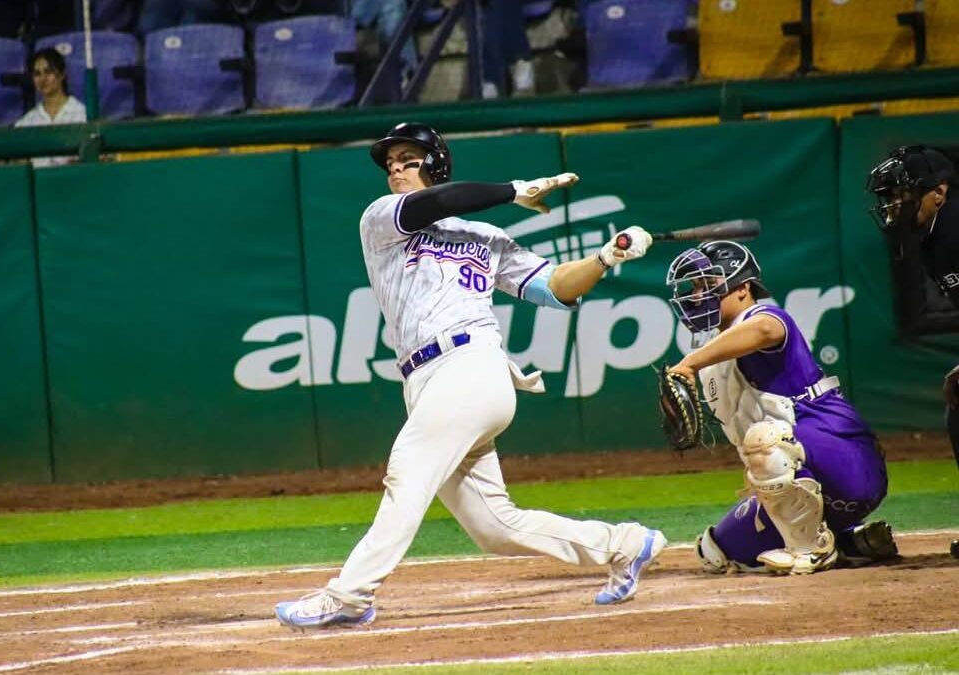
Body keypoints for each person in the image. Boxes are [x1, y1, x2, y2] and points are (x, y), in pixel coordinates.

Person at [274, 122, 666, 630]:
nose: (395, 168)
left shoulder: (486, 237)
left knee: (408, 469)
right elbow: (435, 205)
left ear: (435, 163)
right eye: (390, 162)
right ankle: (624, 544)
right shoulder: (381, 220)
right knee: (494, 525)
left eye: (408, 159)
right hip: (424, 381)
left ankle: (349, 595)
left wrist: (605, 257)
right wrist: (512, 191)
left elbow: (555, 288)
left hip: (472, 367)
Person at [665, 241, 895, 575]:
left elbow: (765, 331)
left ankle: (812, 550)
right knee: (714, 551)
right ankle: (849, 541)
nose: (698, 295)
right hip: (814, 484)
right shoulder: (716, 353)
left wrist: (689, 364)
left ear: (743, 288)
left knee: (765, 439)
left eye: (708, 284)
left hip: (850, 463)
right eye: (696, 286)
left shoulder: (763, 316)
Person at [866, 145, 959, 470]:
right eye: (888, 196)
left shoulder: (954, 226)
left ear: (939, 193)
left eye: (902, 194)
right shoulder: (933, 238)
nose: (893, 206)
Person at [15, 48, 87, 168]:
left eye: (48, 72)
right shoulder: (26, 122)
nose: (42, 79)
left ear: (62, 74)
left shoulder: (82, 114)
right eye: (37, 74)